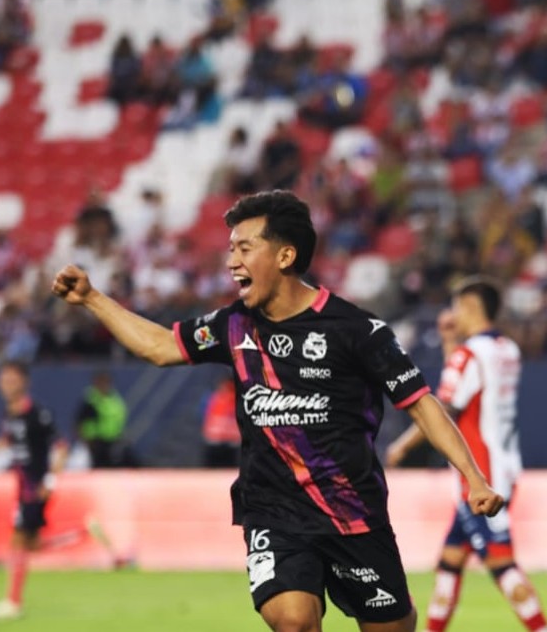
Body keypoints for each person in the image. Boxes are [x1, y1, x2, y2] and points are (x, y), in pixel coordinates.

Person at [52, 190, 504, 632]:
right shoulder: (232, 325)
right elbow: (161, 346)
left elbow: (420, 403)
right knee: (294, 620)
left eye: (245, 248)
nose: (232, 262)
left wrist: (473, 477)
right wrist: (93, 298)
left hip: (352, 512)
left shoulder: (357, 330)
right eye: (231, 249)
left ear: (285, 256)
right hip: (273, 511)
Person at [385, 277, 547, 632]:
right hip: (505, 464)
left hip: (479, 476)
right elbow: (464, 389)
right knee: (450, 561)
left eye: (456, 306)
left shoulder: (469, 355)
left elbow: (443, 411)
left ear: (472, 307)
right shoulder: (507, 349)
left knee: (501, 562)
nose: (452, 314)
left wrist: (402, 445)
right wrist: (451, 342)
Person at [0, 361, 68, 620]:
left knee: (18, 540)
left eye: (11, 380)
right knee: (30, 543)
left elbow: (61, 446)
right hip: (22, 485)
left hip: (35, 487)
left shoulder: (37, 413)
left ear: (24, 382)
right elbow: (11, 439)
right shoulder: (9, 413)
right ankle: (76, 536)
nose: (6, 385)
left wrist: (50, 481)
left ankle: (13, 602)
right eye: (3, 380)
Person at [75, 370, 129, 468]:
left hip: (113, 442)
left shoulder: (115, 400)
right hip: (96, 443)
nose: (104, 385)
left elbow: (119, 419)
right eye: (101, 382)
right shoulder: (90, 401)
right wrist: (85, 441)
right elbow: (79, 423)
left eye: (106, 382)